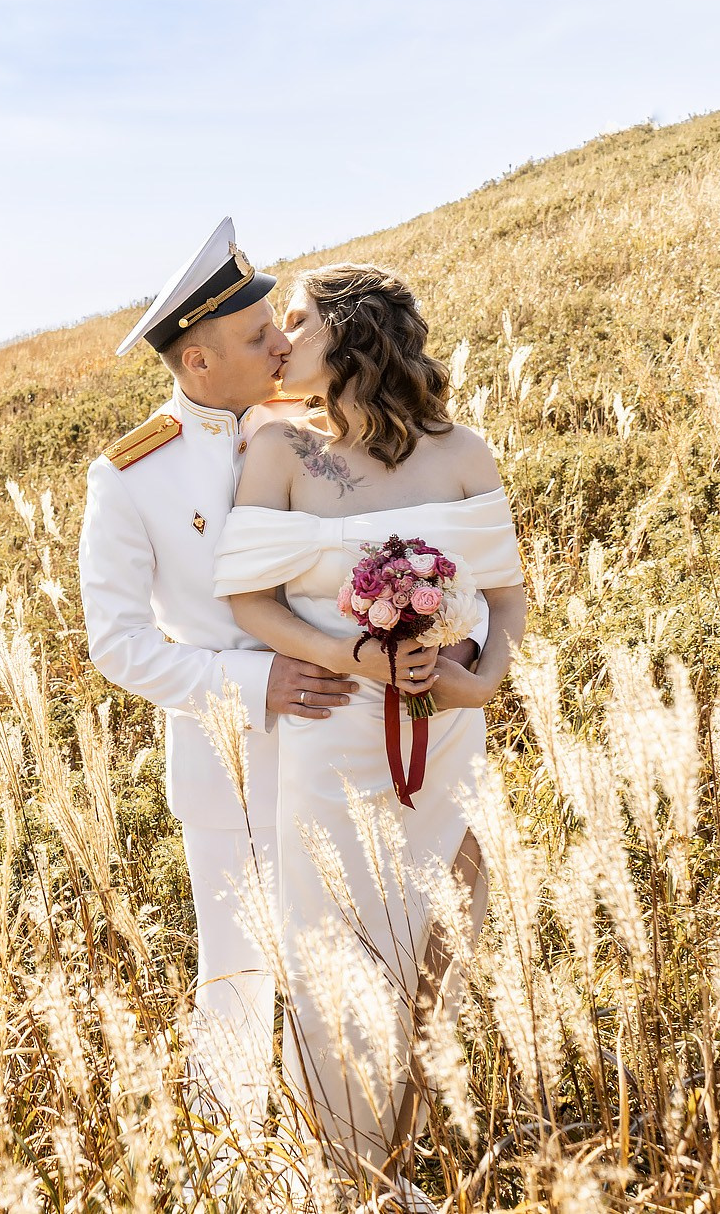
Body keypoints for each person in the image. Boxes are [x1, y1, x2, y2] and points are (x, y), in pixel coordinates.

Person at [77, 222, 450, 1130]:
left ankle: (359, 1158)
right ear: (196, 362)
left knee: (353, 957)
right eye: (255, 339)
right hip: (232, 764)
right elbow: (117, 642)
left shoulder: (319, 429)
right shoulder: (132, 475)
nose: (281, 343)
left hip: (352, 745)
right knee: (242, 972)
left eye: (276, 329)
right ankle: (240, 1167)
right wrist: (255, 686)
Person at [212, 263, 528, 1200]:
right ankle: (344, 1174)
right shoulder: (278, 452)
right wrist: (356, 657)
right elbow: (250, 602)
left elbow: (507, 600)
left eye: (297, 322)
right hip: (330, 734)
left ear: (349, 335)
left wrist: (482, 683)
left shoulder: (462, 452)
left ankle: (412, 1147)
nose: (279, 342)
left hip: (444, 738)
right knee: (330, 942)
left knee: (437, 934)